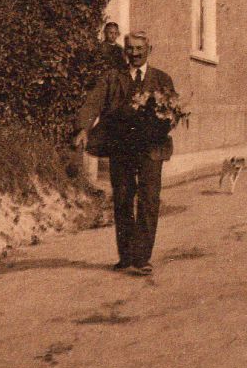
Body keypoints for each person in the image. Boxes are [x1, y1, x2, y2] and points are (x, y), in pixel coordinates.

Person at [73, 31, 176, 276]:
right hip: (121, 147)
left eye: (140, 48)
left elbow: (173, 111)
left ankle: (142, 258)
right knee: (122, 199)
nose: (135, 53)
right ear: (124, 50)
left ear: (149, 49)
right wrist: (83, 128)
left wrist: (166, 122)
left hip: (152, 148)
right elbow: (93, 102)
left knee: (149, 199)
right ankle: (126, 256)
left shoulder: (162, 79)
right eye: (130, 48)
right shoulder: (112, 77)